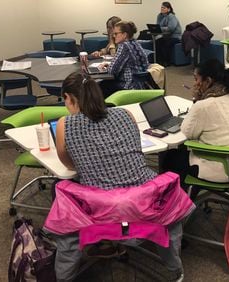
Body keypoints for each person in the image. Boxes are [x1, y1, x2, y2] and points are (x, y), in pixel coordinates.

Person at [53, 72, 186, 282]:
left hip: (102, 205)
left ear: (70, 98)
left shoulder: (64, 124)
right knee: (167, 202)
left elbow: (70, 165)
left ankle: (65, 274)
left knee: (63, 201)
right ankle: (175, 268)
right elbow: (134, 149)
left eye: (65, 100)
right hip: (148, 198)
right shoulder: (125, 114)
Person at [162, 59, 229, 185]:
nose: (195, 84)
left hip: (221, 166)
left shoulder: (205, 105)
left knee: (170, 157)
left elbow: (188, 133)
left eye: (196, 79)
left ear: (208, 81)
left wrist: (197, 99)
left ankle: (182, 201)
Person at [99, 20, 149, 97]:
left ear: (125, 34)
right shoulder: (136, 43)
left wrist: (108, 66)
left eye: (116, 34)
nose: (113, 36)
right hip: (141, 85)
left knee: (100, 85)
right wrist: (110, 65)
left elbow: (112, 71)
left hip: (129, 87)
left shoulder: (124, 46)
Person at [155, 2, 182, 66]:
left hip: (175, 36)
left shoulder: (171, 16)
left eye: (164, 8)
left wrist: (161, 29)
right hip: (165, 36)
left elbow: (171, 28)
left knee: (166, 43)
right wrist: (159, 29)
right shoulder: (159, 16)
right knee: (157, 42)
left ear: (169, 9)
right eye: (161, 7)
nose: (162, 9)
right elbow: (157, 26)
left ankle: (166, 61)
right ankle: (159, 61)